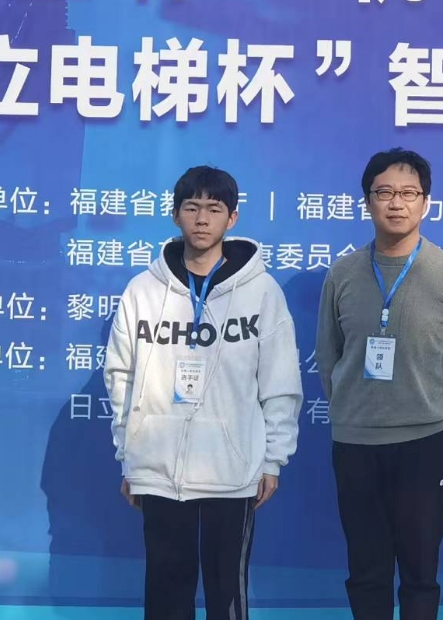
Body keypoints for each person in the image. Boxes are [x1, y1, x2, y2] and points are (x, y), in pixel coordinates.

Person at [104, 165, 303, 620]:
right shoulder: (142, 291)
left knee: (226, 592)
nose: (201, 218)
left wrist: (272, 459)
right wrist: (129, 456)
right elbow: (121, 376)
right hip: (158, 465)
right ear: (175, 214)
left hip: (232, 469)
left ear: (232, 218)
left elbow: (280, 381)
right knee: (165, 593)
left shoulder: (262, 292)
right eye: (191, 207)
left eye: (214, 208)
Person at [316, 148, 443, 620]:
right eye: (384, 192)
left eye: (409, 193)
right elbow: (328, 355)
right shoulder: (343, 273)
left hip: (422, 442)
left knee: (420, 570)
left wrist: (432, 408)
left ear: (426, 203)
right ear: (367, 201)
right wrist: (354, 408)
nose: (396, 202)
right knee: (365, 569)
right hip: (355, 442)